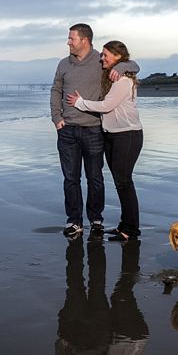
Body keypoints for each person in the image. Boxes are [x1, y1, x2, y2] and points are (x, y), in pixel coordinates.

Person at [50, 24, 139, 238]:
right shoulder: (63, 64)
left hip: (93, 130)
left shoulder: (101, 61)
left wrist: (126, 64)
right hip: (67, 130)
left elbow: (132, 64)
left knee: (95, 178)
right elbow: (56, 90)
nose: (68, 42)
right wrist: (57, 117)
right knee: (70, 178)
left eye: (71, 38)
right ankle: (74, 221)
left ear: (85, 40)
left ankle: (96, 220)